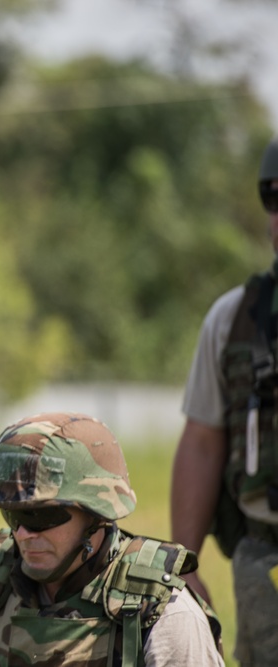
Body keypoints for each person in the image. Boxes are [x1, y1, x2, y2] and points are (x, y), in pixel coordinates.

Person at [0, 412, 224, 667]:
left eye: (39, 516)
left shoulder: (161, 611)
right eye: (12, 516)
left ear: (95, 514)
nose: (22, 533)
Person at [171, 134, 278, 666]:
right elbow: (202, 442)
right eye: (275, 200)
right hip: (267, 554)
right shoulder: (235, 318)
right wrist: (183, 564)